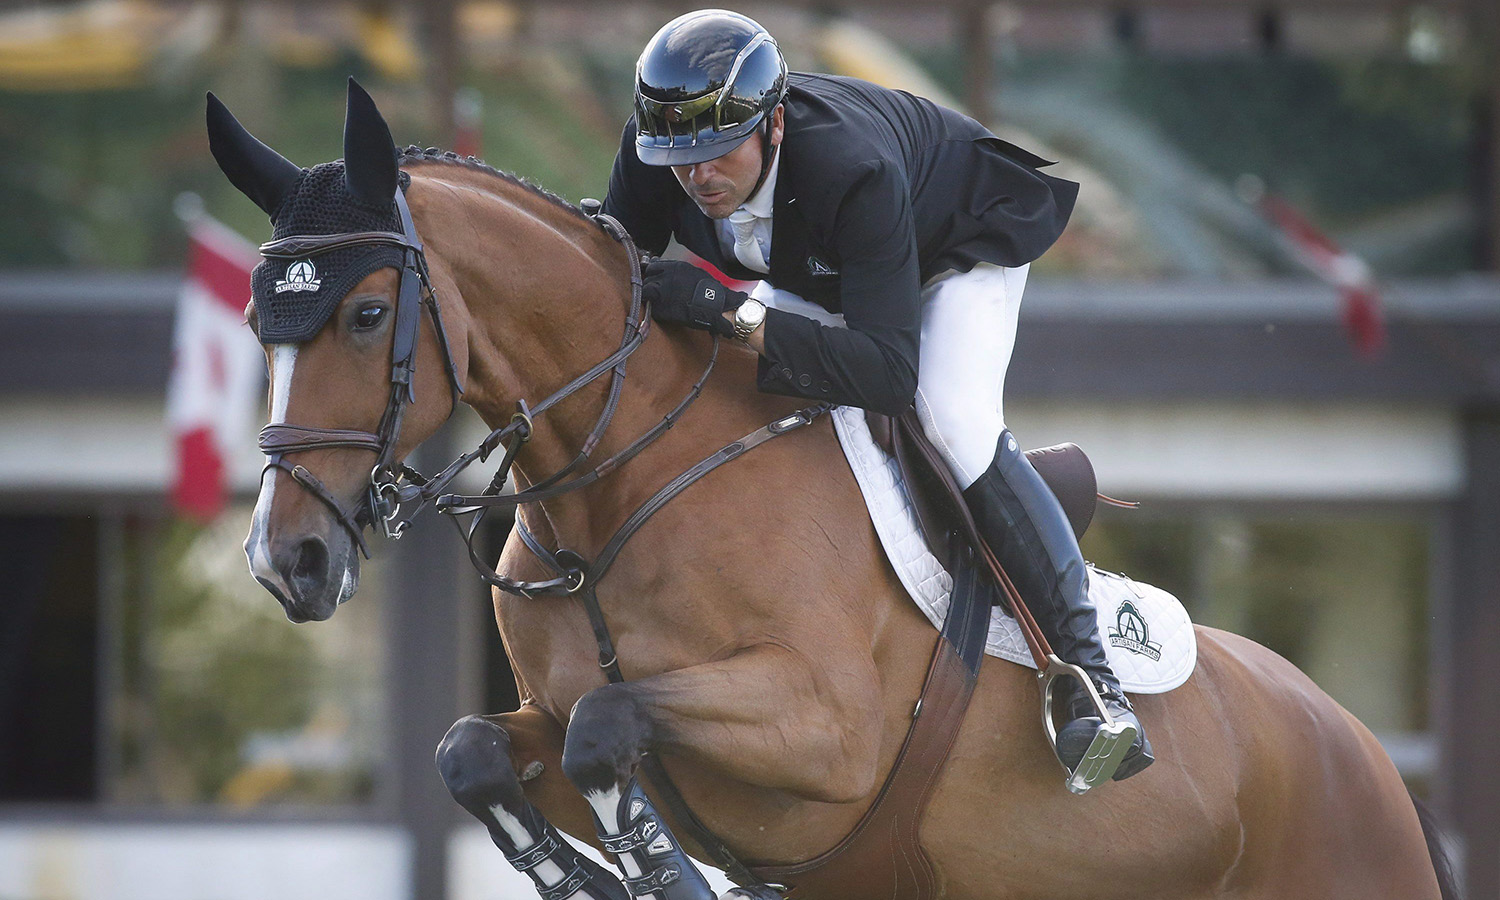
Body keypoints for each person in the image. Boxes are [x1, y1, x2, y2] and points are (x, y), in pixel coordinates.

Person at [603, 8, 1153, 787]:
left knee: (950, 419)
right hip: (826, 270)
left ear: (775, 126)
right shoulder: (661, 151)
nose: (698, 178)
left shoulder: (848, 168)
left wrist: (730, 310)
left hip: (952, 248)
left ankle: (1095, 687)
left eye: (720, 152)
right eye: (680, 158)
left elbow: (888, 373)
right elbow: (609, 269)